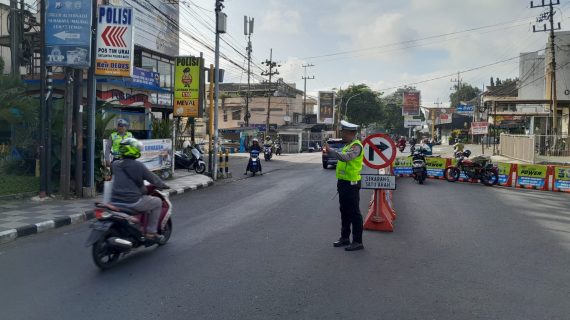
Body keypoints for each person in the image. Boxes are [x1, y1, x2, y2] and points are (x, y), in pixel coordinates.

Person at [110, 138, 169, 240]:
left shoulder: (115, 165)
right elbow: (153, 179)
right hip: (132, 201)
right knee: (157, 202)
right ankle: (151, 232)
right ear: (133, 150)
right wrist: (163, 185)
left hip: (115, 201)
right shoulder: (138, 166)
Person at [324, 120, 365, 252]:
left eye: (344, 132)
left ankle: (358, 241)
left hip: (352, 183)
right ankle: (345, 238)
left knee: (354, 213)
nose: (342, 134)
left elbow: (346, 158)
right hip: (343, 183)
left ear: (351, 133)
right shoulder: (348, 145)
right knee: (344, 211)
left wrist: (330, 152)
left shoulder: (356, 146)